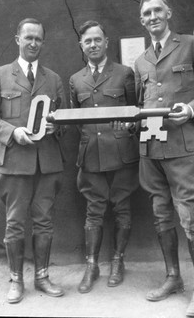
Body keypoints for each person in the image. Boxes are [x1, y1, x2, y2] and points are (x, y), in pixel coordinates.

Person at [134, 0, 194, 317]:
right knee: (161, 214)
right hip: (152, 149)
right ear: (142, 21)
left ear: (169, 13)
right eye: (147, 13)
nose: (153, 15)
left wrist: (189, 109)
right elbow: (140, 105)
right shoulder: (141, 61)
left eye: (158, 10)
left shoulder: (191, 45)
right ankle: (173, 277)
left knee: (189, 216)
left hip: (184, 148)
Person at [0, 18, 66, 303]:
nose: (33, 43)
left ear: (43, 42)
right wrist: (13, 131)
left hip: (48, 163)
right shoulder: (0, 76)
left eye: (38, 39)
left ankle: (42, 276)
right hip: (14, 161)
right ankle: (16, 280)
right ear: (17, 39)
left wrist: (57, 127)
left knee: (44, 222)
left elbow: (64, 118)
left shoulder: (53, 79)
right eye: (28, 37)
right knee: (14, 223)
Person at [69, 20, 140, 293]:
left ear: (106, 42)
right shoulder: (76, 79)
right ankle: (91, 265)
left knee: (122, 208)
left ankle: (118, 261)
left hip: (122, 155)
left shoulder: (124, 73)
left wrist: (131, 126)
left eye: (97, 40)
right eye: (88, 41)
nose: (93, 45)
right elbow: (77, 120)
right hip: (91, 157)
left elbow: (137, 113)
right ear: (81, 46)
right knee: (93, 212)